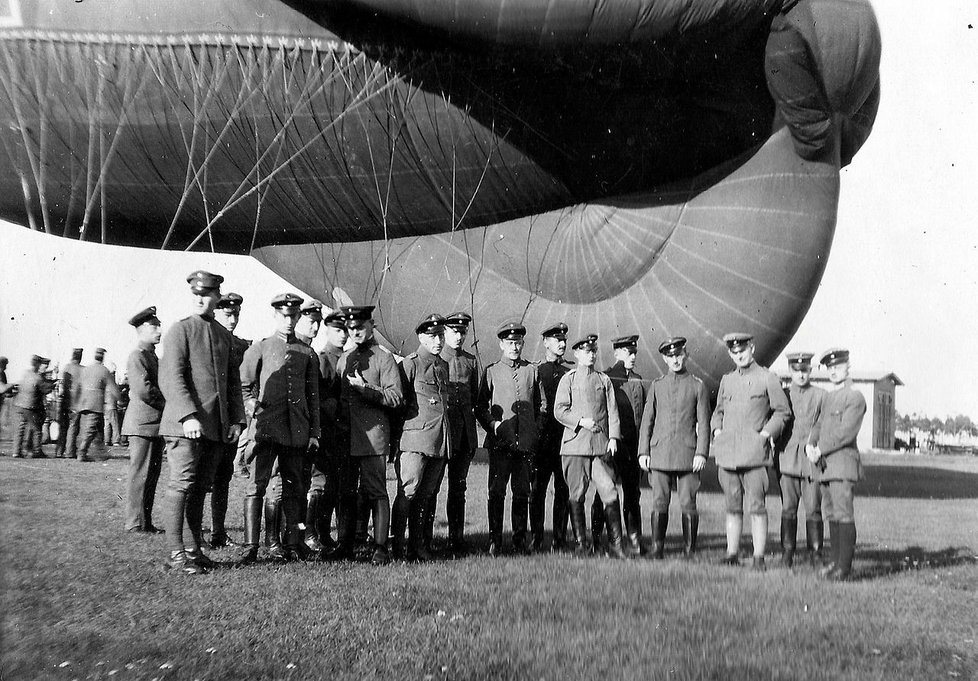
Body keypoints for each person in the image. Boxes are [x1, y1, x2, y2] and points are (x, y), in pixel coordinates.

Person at [158, 271, 246, 575]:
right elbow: (171, 376)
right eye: (195, 293)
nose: (199, 298)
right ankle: (175, 553)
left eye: (206, 294)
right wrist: (187, 415)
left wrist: (237, 419)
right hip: (186, 426)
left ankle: (194, 550)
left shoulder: (223, 335)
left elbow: (233, 383)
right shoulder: (179, 331)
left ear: (216, 297)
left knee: (199, 488)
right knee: (181, 484)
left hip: (215, 429)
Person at [236, 293, 321, 564]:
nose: (288, 321)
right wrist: (252, 406)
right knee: (257, 486)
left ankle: (289, 543)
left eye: (293, 316)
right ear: (275, 316)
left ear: (298, 317)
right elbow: (244, 385)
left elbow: (313, 397)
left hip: (296, 430)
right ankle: (251, 545)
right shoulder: (260, 348)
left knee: (294, 487)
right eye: (284, 316)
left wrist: (314, 432)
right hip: (266, 429)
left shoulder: (307, 353)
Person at [710, 332, 791, 570]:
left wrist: (766, 434)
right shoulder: (727, 380)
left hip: (755, 455)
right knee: (732, 507)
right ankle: (732, 553)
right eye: (734, 352)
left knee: (757, 506)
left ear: (752, 348)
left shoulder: (767, 378)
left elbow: (782, 411)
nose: (739, 355)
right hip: (728, 455)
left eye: (742, 350)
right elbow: (718, 411)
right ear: (730, 354)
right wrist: (716, 431)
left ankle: (758, 557)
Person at [335, 305, 404, 565]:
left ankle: (380, 547)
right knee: (346, 491)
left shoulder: (383, 358)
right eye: (350, 328)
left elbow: (395, 397)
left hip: (373, 438)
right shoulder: (345, 359)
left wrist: (366, 388)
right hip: (347, 437)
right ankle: (345, 545)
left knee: (376, 491)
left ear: (371, 326)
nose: (355, 332)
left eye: (360, 328)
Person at [476, 321, 546, 556]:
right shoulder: (492, 371)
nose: (514, 347)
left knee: (521, 493)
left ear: (523, 343)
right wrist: (494, 426)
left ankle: (519, 541)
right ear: (501, 344)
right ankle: (495, 540)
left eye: (518, 343)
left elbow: (542, 405)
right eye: (510, 343)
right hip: (501, 444)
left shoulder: (531, 371)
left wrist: (535, 430)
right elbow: (480, 407)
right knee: (497, 492)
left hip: (525, 444)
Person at [637, 337, 711, 559]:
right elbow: (647, 421)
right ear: (664, 359)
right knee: (659, 501)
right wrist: (643, 451)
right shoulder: (657, 386)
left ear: (685, 355)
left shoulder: (698, 386)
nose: (675, 360)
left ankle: (690, 551)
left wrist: (701, 453)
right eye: (670, 356)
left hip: (688, 455)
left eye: (678, 355)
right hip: (660, 453)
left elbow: (704, 423)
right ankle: (657, 548)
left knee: (688, 502)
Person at [554, 334, 626, 558]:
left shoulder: (603, 380)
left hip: (598, 447)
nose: (591, 355)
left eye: (593, 351)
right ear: (576, 354)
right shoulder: (569, 379)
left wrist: (613, 437)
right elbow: (559, 410)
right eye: (586, 351)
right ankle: (581, 545)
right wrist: (580, 421)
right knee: (577, 494)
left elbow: (612, 411)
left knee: (609, 491)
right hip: (575, 447)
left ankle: (616, 546)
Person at [391, 314, 452, 560]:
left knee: (426, 495)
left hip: (439, 440)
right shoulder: (410, 364)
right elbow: (398, 405)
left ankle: (417, 546)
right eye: (432, 336)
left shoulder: (442, 365)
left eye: (440, 335)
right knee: (408, 491)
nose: (438, 341)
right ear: (421, 337)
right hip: (414, 441)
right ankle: (397, 549)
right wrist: (397, 442)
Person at [808, 348, 866, 582]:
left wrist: (820, 448)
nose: (833, 371)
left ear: (847, 367)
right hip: (825, 467)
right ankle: (834, 562)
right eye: (830, 368)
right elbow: (819, 425)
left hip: (842, 465)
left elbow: (845, 432)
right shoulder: (829, 398)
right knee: (831, 513)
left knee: (843, 515)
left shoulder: (855, 397)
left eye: (838, 367)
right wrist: (810, 445)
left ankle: (844, 567)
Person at [777, 351, 827, 568]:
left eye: (804, 370)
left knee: (813, 507)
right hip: (787, 457)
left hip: (812, 458)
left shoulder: (821, 395)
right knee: (788, 507)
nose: (800, 375)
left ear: (810, 370)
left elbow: (823, 422)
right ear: (790, 371)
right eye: (796, 371)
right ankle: (787, 551)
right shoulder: (783, 395)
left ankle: (815, 552)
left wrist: (813, 441)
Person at [208, 291, 250, 548]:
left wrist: (238, 420)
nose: (232, 318)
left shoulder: (239, 345)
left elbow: (238, 387)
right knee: (201, 481)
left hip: (230, 424)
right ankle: (194, 536)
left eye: (236, 313)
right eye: (227, 313)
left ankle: (218, 532)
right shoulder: (209, 339)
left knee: (222, 478)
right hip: (210, 421)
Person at [599, 334, 647, 555]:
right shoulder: (607, 378)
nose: (633, 356)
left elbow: (643, 416)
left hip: (633, 449)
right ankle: (598, 539)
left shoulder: (637, 380)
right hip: (613, 447)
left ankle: (635, 540)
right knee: (604, 495)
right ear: (617, 353)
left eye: (635, 352)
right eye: (628, 352)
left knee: (632, 495)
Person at [436, 312, 480, 556]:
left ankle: (456, 540)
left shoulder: (471, 361)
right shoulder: (437, 358)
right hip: (441, 433)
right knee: (431, 487)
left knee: (458, 488)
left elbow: (474, 398)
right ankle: (425, 539)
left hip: (463, 437)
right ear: (445, 332)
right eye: (454, 331)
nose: (459, 336)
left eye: (463, 332)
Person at [122, 306, 166, 534]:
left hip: (153, 425)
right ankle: (135, 523)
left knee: (150, 475)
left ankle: (144, 521)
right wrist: (168, 405)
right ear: (141, 330)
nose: (159, 330)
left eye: (159, 325)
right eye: (154, 326)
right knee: (141, 474)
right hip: (143, 425)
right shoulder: (138, 355)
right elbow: (144, 390)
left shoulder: (150, 356)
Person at [530, 322, 572, 552]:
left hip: (564, 442)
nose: (562, 344)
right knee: (537, 491)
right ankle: (536, 538)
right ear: (546, 342)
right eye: (557, 340)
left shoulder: (569, 373)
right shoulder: (536, 371)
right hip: (542, 442)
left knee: (563, 491)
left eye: (564, 340)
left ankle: (560, 539)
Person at [317, 309, 350, 557]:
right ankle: (320, 532)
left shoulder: (349, 357)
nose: (343, 335)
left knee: (343, 486)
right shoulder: (324, 358)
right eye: (338, 330)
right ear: (328, 330)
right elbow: (323, 398)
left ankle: (341, 534)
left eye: (346, 330)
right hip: (330, 431)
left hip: (347, 432)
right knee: (327, 486)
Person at [74, 348, 120, 462]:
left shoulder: (85, 369)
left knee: (98, 430)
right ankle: (82, 452)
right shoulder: (104, 370)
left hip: (83, 403)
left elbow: (76, 387)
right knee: (90, 431)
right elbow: (113, 388)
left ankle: (100, 453)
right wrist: (120, 400)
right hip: (95, 405)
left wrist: (76, 403)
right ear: (102, 357)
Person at [11, 355, 54, 458]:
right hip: (30, 406)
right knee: (37, 428)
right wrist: (53, 385)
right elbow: (45, 389)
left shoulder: (26, 373)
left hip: (18, 404)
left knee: (20, 429)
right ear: (39, 364)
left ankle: (16, 451)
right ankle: (37, 451)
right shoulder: (37, 377)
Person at [55, 348, 84, 458]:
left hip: (64, 403)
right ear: (80, 357)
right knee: (73, 427)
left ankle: (59, 451)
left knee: (63, 428)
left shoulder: (66, 368)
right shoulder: (83, 370)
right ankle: (70, 451)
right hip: (76, 403)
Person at [103, 362, 123, 446]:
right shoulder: (112, 384)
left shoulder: (105, 384)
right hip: (112, 406)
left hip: (105, 406)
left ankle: (107, 440)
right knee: (115, 424)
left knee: (107, 424)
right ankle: (116, 440)